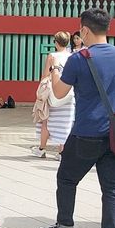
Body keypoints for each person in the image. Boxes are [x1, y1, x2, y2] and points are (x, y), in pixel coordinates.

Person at [37, 8, 115, 228]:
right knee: (112, 187)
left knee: (67, 178)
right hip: (114, 134)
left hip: (86, 131)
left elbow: (59, 92)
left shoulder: (79, 58)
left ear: (84, 30)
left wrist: (55, 71)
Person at [31, 31, 75, 159]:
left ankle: (42, 148)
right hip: (69, 92)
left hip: (53, 92)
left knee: (46, 120)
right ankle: (61, 152)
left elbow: (45, 75)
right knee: (65, 123)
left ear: (56, 42)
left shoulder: (52, 56)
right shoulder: (73, 57)